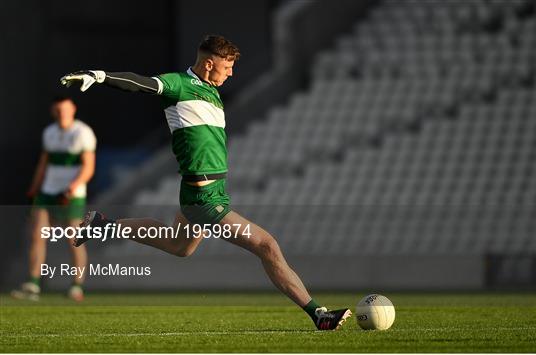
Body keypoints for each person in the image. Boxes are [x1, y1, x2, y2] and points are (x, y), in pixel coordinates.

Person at [60, 35, 351, 330]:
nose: (232, 73)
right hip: (203, 199)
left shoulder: (212, 92)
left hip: (210, 192)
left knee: (180, 246)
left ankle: (104, 225)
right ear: (209, 64)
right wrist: (100, 76)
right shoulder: (178, 85)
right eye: (227, 67)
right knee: (267, 245)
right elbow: (142, 83)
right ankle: (319, 315)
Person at [11, 96, 96, 302]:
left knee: (74, 239)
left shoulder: (82, 133)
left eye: (65, 109)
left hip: (71, 195)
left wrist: (73, 187)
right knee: (37, 235)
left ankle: (77, 286)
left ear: (73, 109)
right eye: (58, 110)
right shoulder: (49, 133)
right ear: (53, 111)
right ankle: (33, 284)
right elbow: (43, 164)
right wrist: (34, 189)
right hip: (48, 191)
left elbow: (88, 166)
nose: (62, 113)